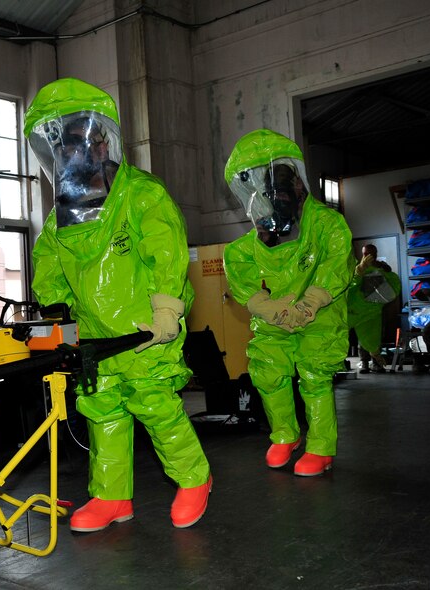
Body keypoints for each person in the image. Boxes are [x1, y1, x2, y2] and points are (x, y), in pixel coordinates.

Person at [24, 78, 212, 531]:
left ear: (102, 140)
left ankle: (194, 478)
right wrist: (58, 322)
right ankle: (111, 498)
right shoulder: (59, 219)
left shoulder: (143, 195)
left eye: (77, 142)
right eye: (61, 146)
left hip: (146, 328)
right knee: (101, 410)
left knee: (155, 404)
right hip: (95, 335)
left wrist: (167, 307)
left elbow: (166, 252)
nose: (70, 154)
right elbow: (50, 274)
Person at [222, 129, 353, 477]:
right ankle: (285, 434)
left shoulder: (326, 225)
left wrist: (308, 305)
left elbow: (335, 268)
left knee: (314, 377)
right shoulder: (244, 247)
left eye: (279, 190)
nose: (272, 200)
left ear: (297, 185)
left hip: (319, 317)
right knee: (267, 373)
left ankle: (321, 447)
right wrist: (272, 310)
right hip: (275, 321)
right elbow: (245, 286)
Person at [347, 244, 401, 373]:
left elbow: (390, 287)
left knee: (373, 335)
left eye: (372, 254)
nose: (369, 256)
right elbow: (350, 285)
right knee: (361, 338)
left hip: (372, 312)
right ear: (362, 254)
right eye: (366, 254)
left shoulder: (382, 267)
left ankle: (375, 360)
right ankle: (364, 362)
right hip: (355, 310)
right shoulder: (356, 268)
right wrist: (359, 271)